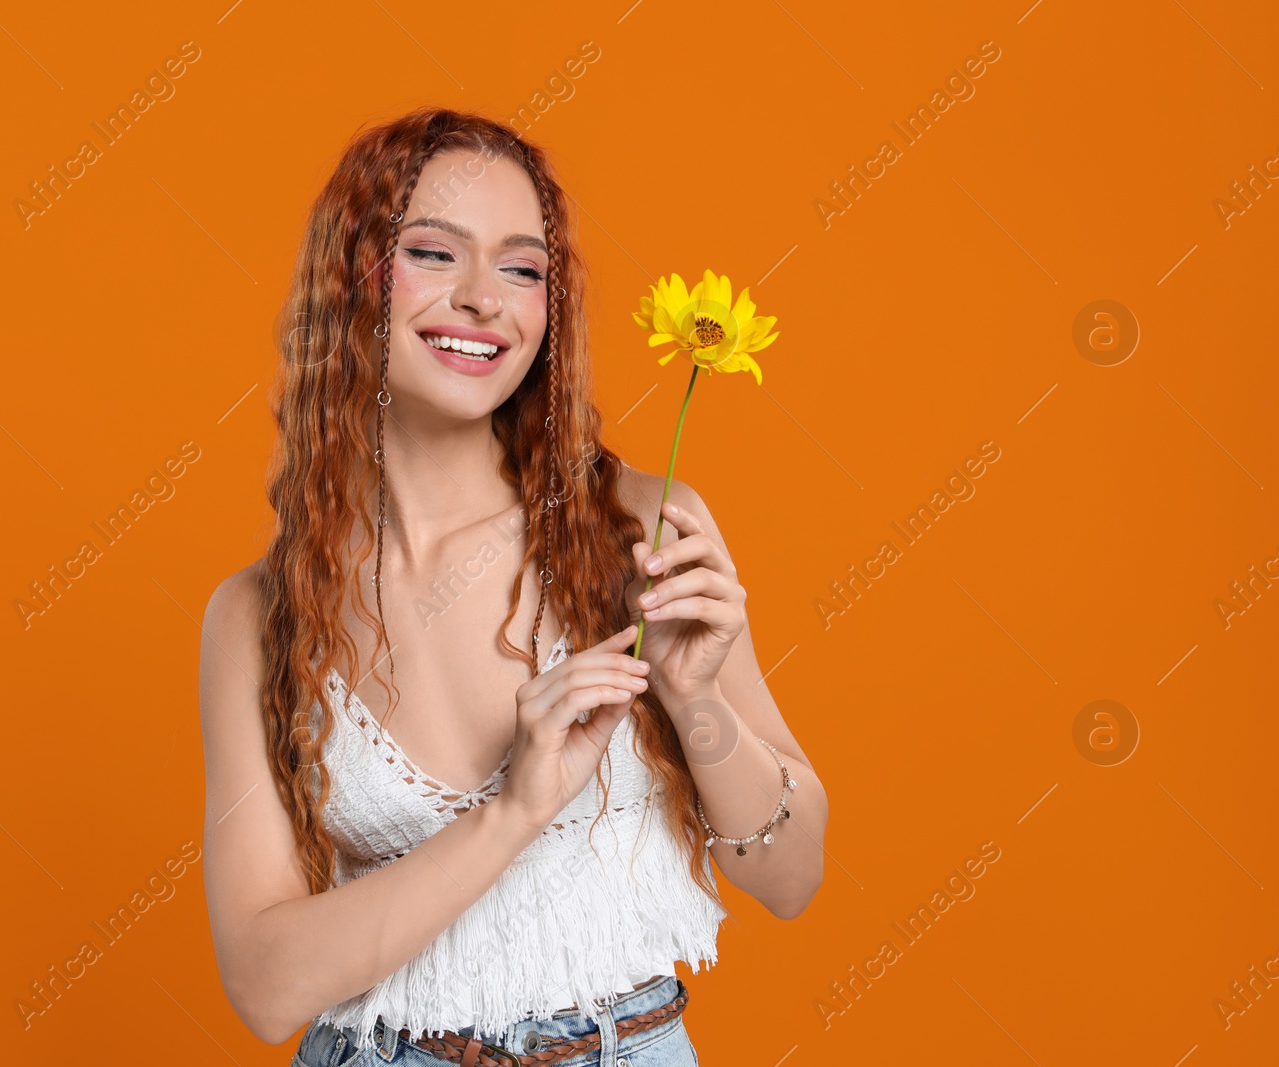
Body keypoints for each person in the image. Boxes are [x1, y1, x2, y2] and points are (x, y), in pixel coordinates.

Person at [198, 107, 827, 1067]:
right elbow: (266, 984)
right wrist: (515, 809)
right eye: (435, 254)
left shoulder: (642, 529)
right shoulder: (259, 617)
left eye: (524, 267)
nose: (487, 298)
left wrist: (698, 702)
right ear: (351, 278)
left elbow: (789, 876)